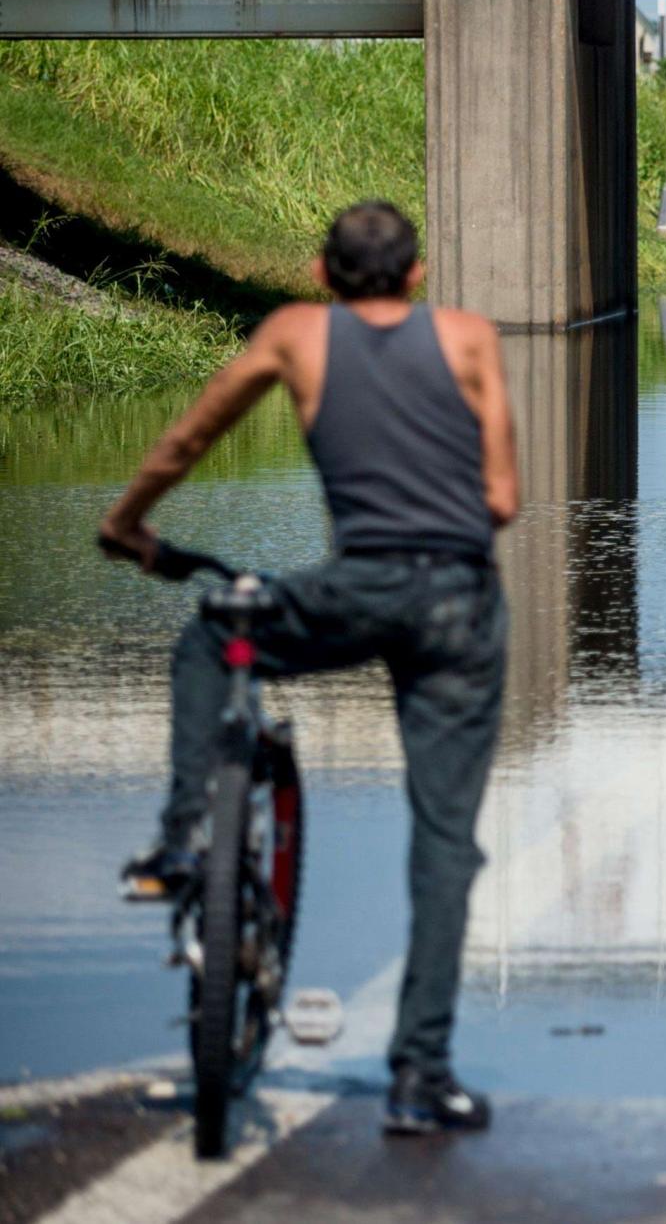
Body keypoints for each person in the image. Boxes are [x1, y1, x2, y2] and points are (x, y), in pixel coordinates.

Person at [98, 200, 517, 1137]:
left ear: (321, 274)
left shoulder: (294, 333)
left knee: (216, 636)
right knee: (444, 842)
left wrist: (127, 525)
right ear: (418, 274)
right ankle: (421, 1076)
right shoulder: (470, 337)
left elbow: (186, 441)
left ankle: (180, 837)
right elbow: (504, 496)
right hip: (457, 601)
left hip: (353, 589)